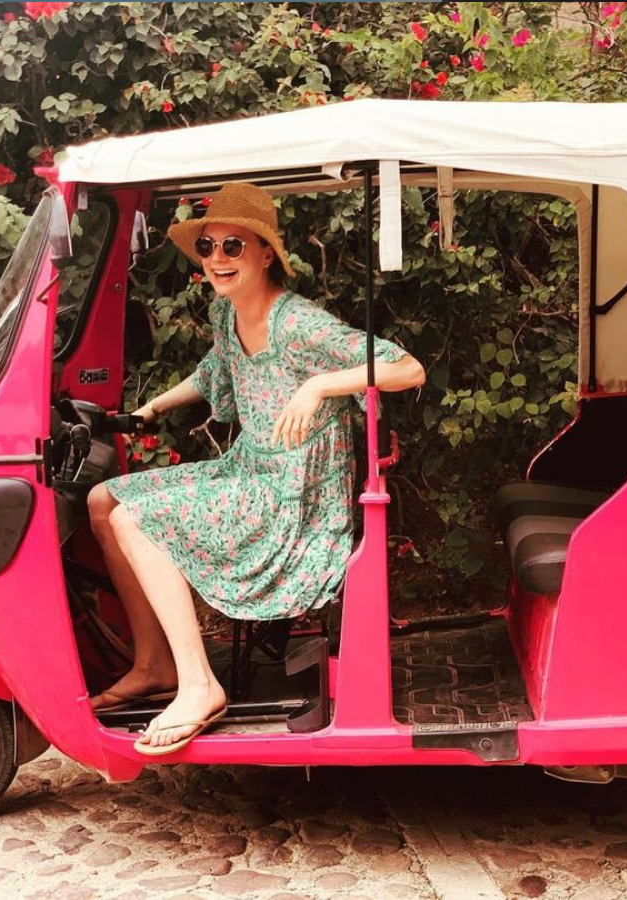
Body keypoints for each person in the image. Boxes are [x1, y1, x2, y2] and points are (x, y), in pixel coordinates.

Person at [87, 182, 426, 755]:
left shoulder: (297, 324)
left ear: (266, 253)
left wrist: (320, 384)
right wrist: (151, 407)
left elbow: (405, 367)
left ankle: (199, 685)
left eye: (233, 247)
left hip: (295, 501)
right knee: (103, 502)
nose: (217, 258)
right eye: (208, 247)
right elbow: (213, 370)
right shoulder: (228, 315)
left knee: (133, 522)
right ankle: (155, 664)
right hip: (249, 472)